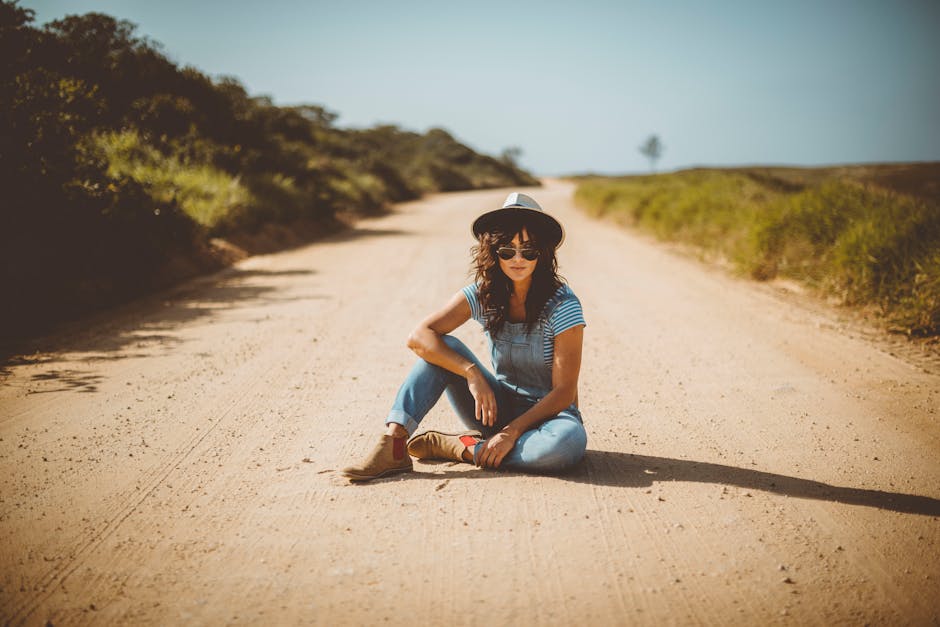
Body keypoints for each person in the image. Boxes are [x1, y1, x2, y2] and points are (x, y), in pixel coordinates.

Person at [342, 192, 587, 481]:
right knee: (440, 346)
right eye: (507, 250)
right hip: (496, 409)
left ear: (542, 253)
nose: (517, 259)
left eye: (528, 250)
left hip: (550, 418)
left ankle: (465, 448)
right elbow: (419, 336)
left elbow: (564, 393)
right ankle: (394, 445)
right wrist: (471, 373)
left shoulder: (563, 304)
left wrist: (511, 432)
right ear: (493, 251)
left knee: (566, 446)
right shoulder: (484, 294)